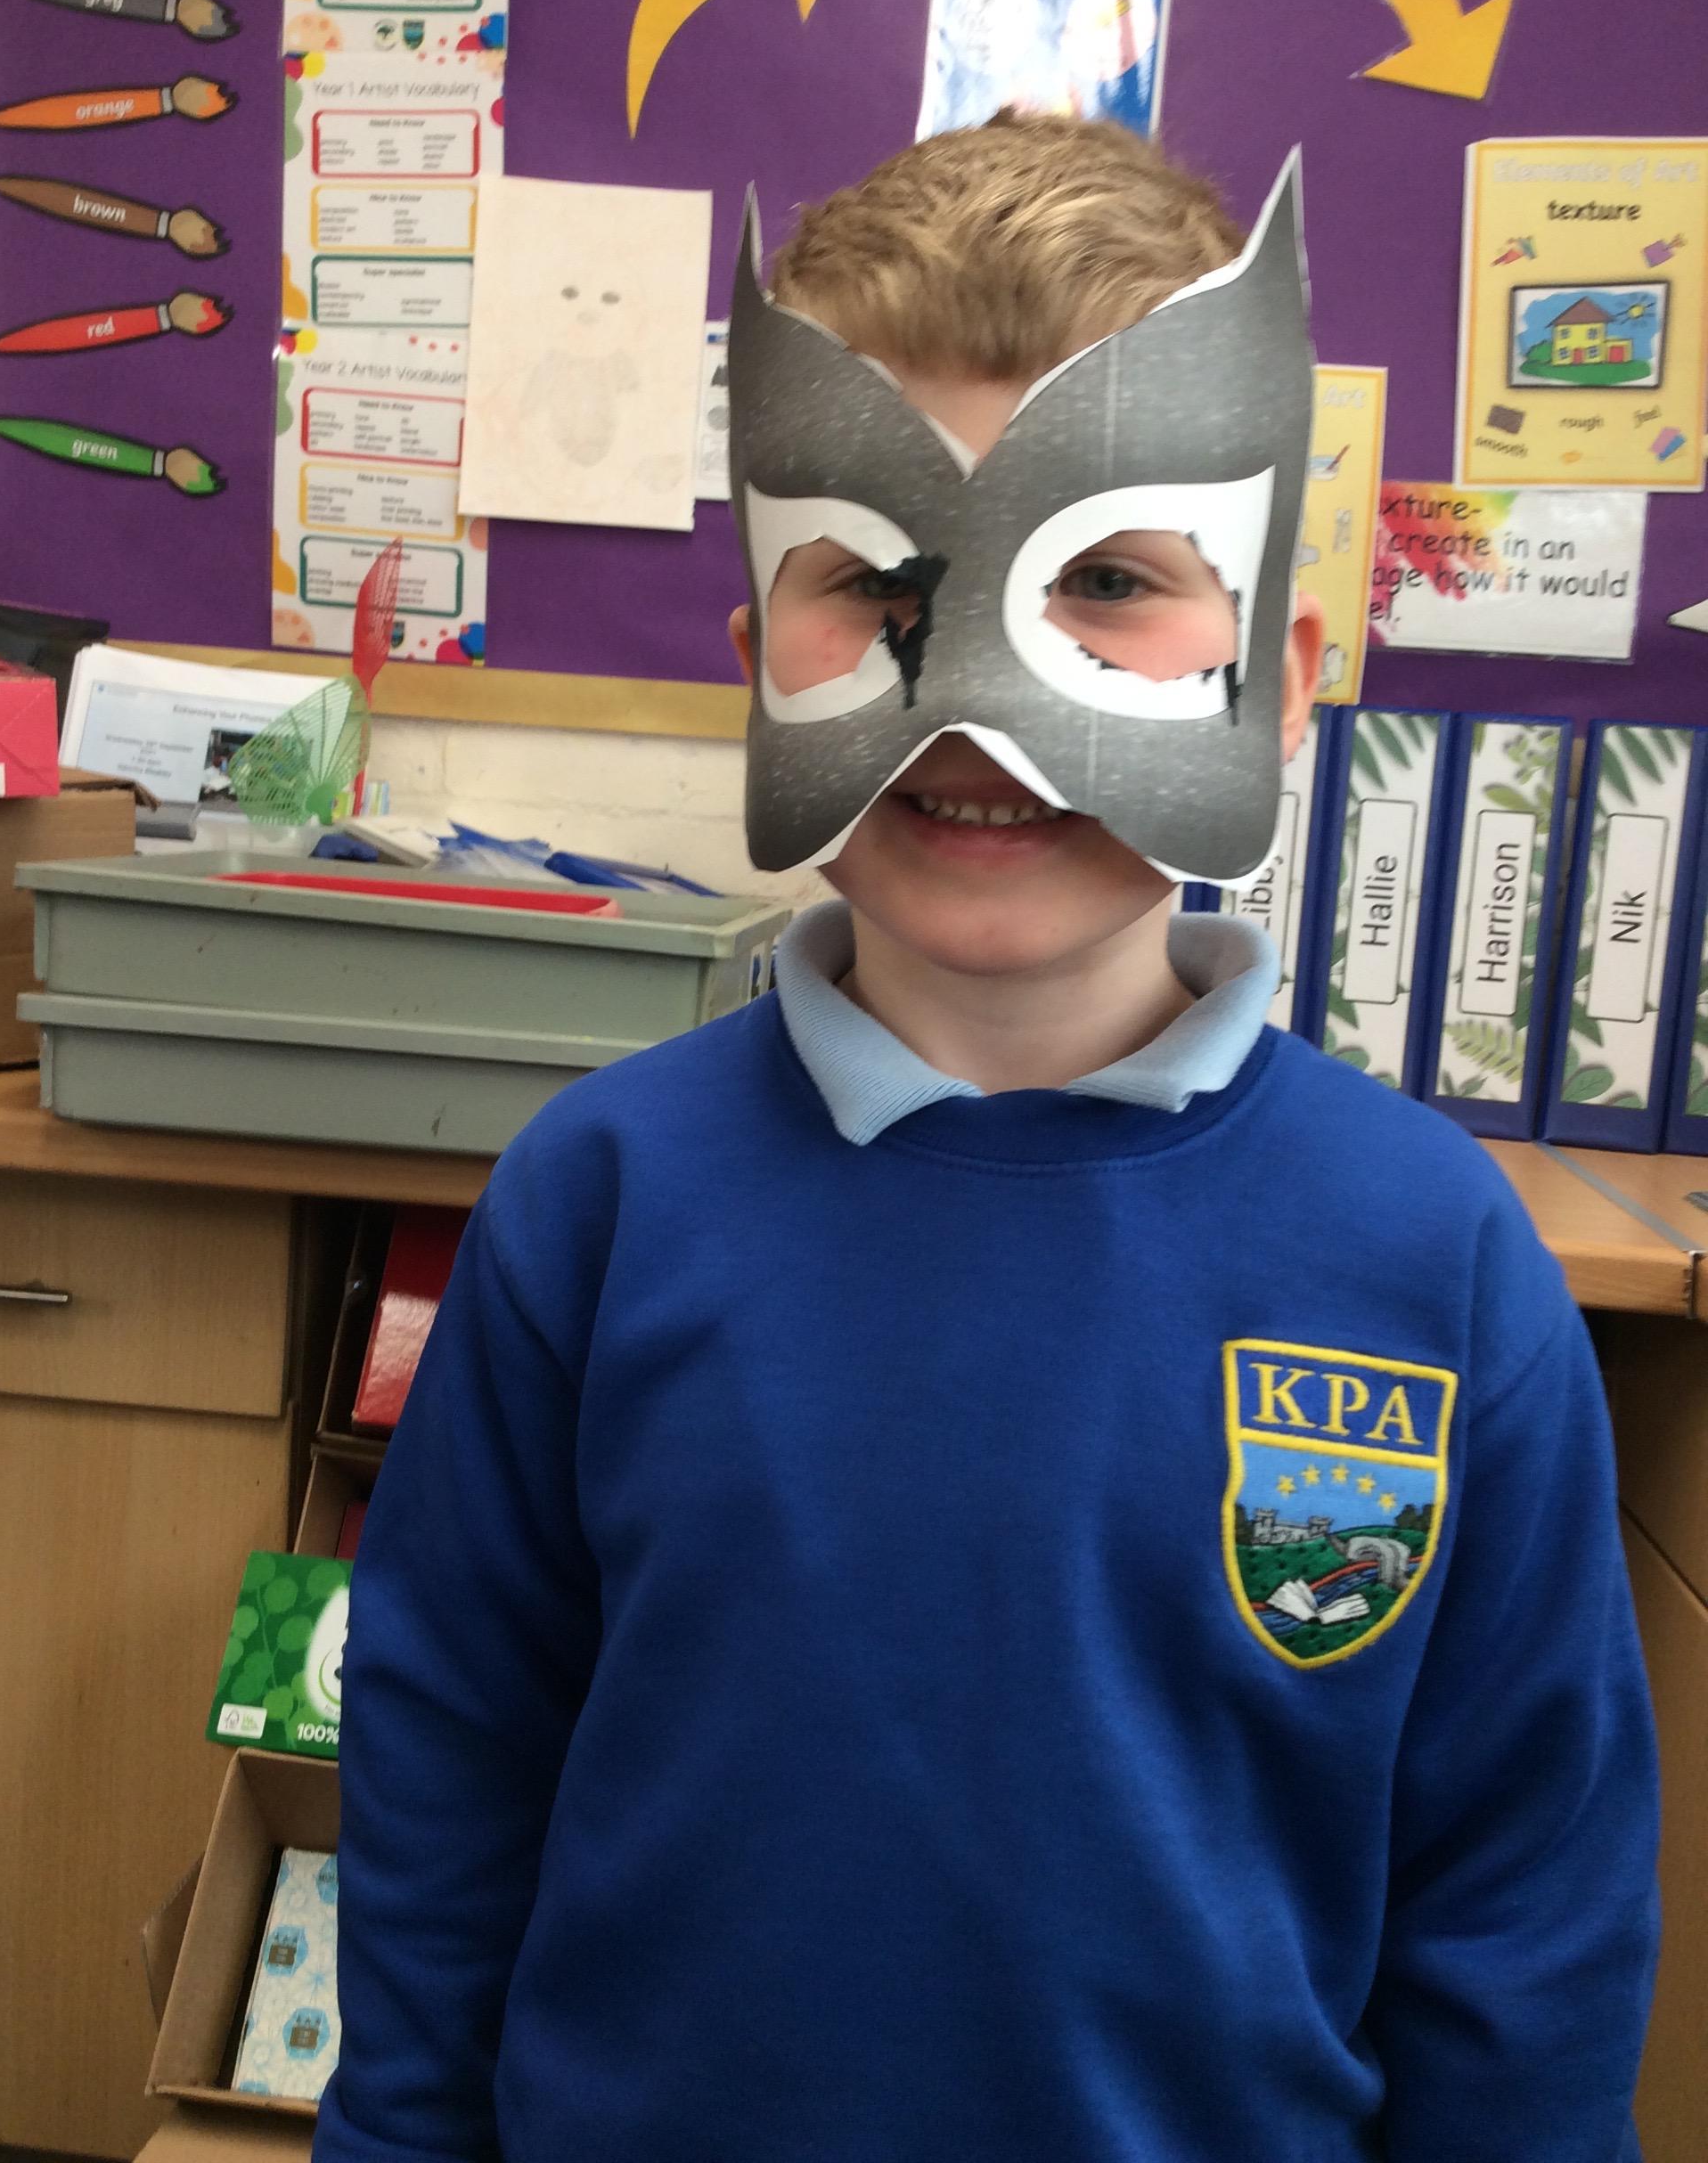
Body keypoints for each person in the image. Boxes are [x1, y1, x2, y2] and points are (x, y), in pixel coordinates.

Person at [315, 115, 1659, 2163]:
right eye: (874, 585)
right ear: (755, 657)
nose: (973, 707)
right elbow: (450, 1760)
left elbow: (1522, 1893)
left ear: (1282, 682)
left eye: (1106, 582)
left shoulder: (1427, 1254)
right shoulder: (601, 1199)